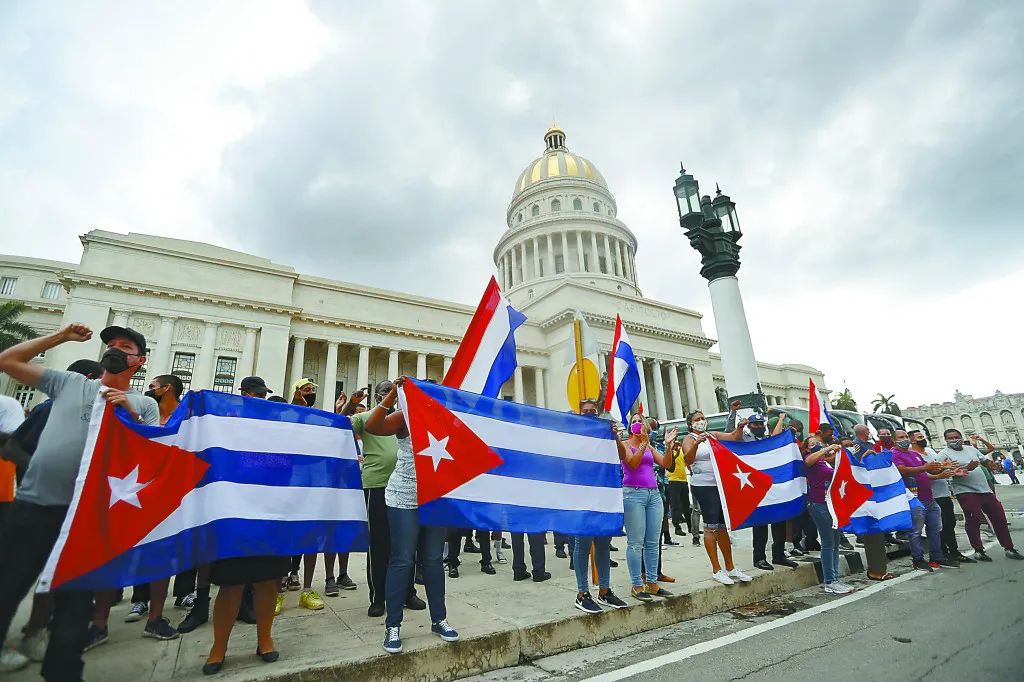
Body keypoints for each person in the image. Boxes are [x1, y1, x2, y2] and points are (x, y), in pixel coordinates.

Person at [0, 323, 159, 679]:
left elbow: (151, 458)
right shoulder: (70, 383)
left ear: (140, 360)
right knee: (8, 585)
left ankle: (63, 670)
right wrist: (60, 338)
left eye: (125, 346)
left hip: (87, 518)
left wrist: (129, 416)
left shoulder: (142, 404)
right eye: (111, 344)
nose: (115, 348)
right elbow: (7, 361)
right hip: (35, 507)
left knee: (74, 606)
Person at [0, 359, 102, 666]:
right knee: (17, 578)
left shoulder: (98, 412)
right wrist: (41, 472)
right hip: (37, 507)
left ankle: (37, 633)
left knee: (56, 581)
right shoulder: (50, 408)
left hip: (73, 512)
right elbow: (13, 447)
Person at [201, 376, 290, 675]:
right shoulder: (228, 425)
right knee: (231, 585)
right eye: (255, 395)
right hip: (236, 515)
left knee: (267, 582)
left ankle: (264, 639)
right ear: (243, 395)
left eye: (263, 396)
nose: (259, 400)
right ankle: (219, 647)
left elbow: (285, 467)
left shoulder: (274, 433)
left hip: (269, 515)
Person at [365, 378, 458, 654]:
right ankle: (393, 625)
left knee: (432, 560)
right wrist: (392, 395)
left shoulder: (447, 419)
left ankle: (439, 618)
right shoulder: (405, 416)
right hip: (403, 496)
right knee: (402, 559)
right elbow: (372, 426)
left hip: (434, 498)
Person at [345, 381, 424, 617]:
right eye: (386, 392)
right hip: (377, 485)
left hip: (405, 487)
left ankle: (407, 591)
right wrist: (350, 405)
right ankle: (378, 596)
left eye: (394, 391)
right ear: (380, 395)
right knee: (379, 544)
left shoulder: (407, 418)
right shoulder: (366, 417)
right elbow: (340, 426)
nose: (390, 395)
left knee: (406, 543)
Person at [572, 399, 629, 613]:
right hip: (583, 497)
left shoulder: (606, 434)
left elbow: (622, 456)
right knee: (583, 544)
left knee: (603, 543)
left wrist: (614, 436)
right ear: (579, 414)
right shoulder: (574, 436)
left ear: (598, 414)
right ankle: (581, 593)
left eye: (592, 411)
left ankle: (604, 590)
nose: (589, 414)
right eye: (585, 411)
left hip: (603, 495)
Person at [682, 410, 752, 586]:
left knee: (722, 526)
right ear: (691, 423)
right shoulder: (689, 438)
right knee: (711, 526)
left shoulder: (712, 435)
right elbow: (688, 459)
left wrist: (740, 427)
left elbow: (733, 437)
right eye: (697, 419)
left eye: (703, 418)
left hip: (719, 484)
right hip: (703, 485)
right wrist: (697, 443)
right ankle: (716, 569)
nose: (701, 421)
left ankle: (730, 567)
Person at [729, 409, 799, 571]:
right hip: (754, 486)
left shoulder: (768, 440)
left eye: (761, 424)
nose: (759, 426)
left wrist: (781, 418)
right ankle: (759, 558)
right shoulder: (745, 439)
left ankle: (779, 554)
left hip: (772, 485)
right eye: (756, 424)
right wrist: (740, 426)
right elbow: (734, 437)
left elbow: (777, 438)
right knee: (760, 522)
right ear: (750, 426)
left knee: (779, 519)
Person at [940, 429, 1023, 562]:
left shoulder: (970, 449)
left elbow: (984, 461)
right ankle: (978, 550)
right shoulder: (943, 454)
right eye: (950, 438)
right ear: (946, 440)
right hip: (965, 491)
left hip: (984, 490)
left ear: (961, 437)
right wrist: (967, 468)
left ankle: (1009, 548)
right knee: (974, 519)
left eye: (956, 437)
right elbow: (943, 473)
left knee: (999, 518)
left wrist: (993, 465)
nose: (954, 440)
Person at [620, 414, 675, 601]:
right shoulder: (626, 444)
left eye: (640, 421)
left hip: (653, 494)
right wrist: (643, 443)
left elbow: (666, 463)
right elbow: (633, 463)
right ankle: (637, 585)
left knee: (652, 542)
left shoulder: (650, 445)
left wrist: (667, 445)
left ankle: (652, 583)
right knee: (636, 543)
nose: (637, 423)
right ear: (629, 428)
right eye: (634, 421)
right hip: (633, 494)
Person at [891, 430, 959, 571]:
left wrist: (942, 467)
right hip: (913, 499)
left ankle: (937, 557)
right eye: (901, 437)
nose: (904, 439)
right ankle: (918, 560)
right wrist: (925, 467)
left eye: (905, 437)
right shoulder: (894, 454)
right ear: (894, 441)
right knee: (915, 532)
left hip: (929, 498)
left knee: (935, 529)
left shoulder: (914, 454)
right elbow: (902, 470)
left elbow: (928, 470)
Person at [911, 430, 974, 564]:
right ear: (913, 440)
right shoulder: (913, 455)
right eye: (920, 437)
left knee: (950, 523)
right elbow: (922, 474)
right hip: (931, 495)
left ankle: (954, 551)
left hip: (944, 492)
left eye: (924, 436)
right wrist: (939, 473)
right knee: (939, 526)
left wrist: (952, 470)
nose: (924, 439)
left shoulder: (932, 452)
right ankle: (942, 553)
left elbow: (940, 468)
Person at [802, 435, 854, 594]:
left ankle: (834, 578)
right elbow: (808, 461)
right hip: (817, 504)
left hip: (830, 504)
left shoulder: (824, 461)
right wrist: (827, 448)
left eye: (818, 442)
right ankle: (830, 580)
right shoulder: (810, 459)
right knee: (828, 542)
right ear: (807, 447)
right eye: (812, 443)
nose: (816, 444)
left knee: (835, 541)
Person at [666, 432, 693, 538]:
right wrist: (675, 452)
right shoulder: (669, 451)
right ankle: (677, 527)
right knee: (675, 505)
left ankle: (691, 527)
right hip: (673, 480)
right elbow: (669, 464)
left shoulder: (681, 449)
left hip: (683, 480)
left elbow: (685, 461)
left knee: (686, 505)